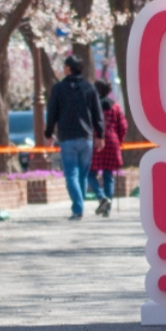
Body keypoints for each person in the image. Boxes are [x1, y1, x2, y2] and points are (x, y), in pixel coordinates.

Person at [45, 55, 104, 220]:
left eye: (65, 66)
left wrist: (49, 134)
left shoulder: (58, 89)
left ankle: (78, 208)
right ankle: (79, 206)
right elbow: (97, 113)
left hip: (67, 137)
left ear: (69, 68)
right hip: (86, 137)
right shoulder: (89, 88)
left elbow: (52, 114)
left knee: (71, 174)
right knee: (83, 175)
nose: (63, 69)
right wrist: (100, 134)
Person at [90, 79, 127, 218]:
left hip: (96, 141)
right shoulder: (116, 107)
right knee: (108, 174)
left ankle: (101, 197)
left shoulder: (92, 106)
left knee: (90, 173)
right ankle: (108, 206)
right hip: (112, 141)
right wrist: (120, 140)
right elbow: (123, 126)